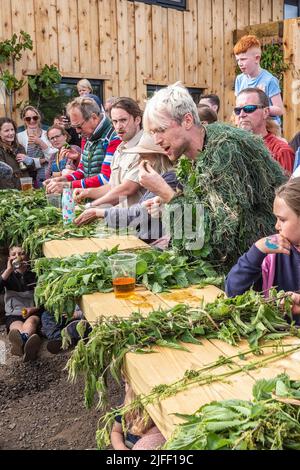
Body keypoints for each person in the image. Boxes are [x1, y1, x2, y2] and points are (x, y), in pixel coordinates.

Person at [141, 82, 286, 267]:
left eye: (161, 130)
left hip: (259, 264)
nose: (156, 140)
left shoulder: (226, 150)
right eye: (153, 132)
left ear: (187, 121)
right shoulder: (191, 156)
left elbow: (223, 238)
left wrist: (168, 195)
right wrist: (166, 205)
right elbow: (202, 211)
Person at [74, 133, 181, 244]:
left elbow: (138, 213)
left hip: (155, 244)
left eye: (143, 157)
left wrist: (98, 212)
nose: (140, 162)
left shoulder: (170, 179)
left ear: (159, 157)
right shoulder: (161, 177)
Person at [225, 177, 300, 326]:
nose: (276, 226)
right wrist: (256, 251)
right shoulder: (274, 254)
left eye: (282, 220)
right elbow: (233, 291)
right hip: (279, 340)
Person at [73, 97, 146, 225]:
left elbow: (127, 189)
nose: (119, 126)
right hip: (122, 223)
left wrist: (90, 206)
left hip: (143, 226)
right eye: (115, 121)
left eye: (123, 120)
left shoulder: (145, 147)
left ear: (137, 119)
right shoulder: (120, 148)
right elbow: (112, 186)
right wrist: (88, 192)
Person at [44, 97, 121, 192]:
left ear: (94, 118)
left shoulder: (113, 137)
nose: (77, 131)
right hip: (89, 197)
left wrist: (67, 185)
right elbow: (82, 171)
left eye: (79, 126)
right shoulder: (87, 137)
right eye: (74, 127)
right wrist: (61, 180)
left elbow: (105, 179)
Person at [235, 87, 295, 174]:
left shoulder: (281, 151)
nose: (242, 114)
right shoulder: (232, 148)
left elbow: (287, 187)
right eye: (237, 110)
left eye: (249, 108)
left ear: (265, 112)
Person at [0, 246, 42, 361]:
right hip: (14, 314)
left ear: (27, 256)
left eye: (21, 253)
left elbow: (46, 299)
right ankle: (27, 346)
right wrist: (8, 270)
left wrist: (33, 309)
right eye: (14, 254)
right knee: (15, 328)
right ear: (9, 258)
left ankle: (21, 345)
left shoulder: (36, 273)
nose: (17, 257)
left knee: (31, 322)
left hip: (32, 311)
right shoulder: (7, 275)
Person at [234, 35, 283, 125]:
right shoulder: (239, 79)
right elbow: (238, 106)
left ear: (257, 58)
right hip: (248, 126)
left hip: (269, 127)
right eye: (237, 60)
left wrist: (257, 109)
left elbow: (279, 109)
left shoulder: (269, 80)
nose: (240, 64)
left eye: (243, 59)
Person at [111, 379, 165, 450]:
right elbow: (116, 431)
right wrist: (121, 447)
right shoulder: (124, 408)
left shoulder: (157, 418)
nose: (131, 419)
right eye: (126, 383)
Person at [17, 105, 55, 187]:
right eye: (28, 118)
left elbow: (54, 156)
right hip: (27, 176)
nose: (32, 120)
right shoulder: (19, 137)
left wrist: (40, 142)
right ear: (24, 120)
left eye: (35, 118)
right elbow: (21, 160)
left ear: (39, 118)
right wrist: (43, 160)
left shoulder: (47, 134)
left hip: (46, 176)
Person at [0, 117, 34, 190]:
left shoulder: (19, 147)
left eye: (12, 129)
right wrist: (13, 193)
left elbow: (30, 170)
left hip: (27, 189)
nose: (11, 133)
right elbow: (3, 178)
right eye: (6, 131)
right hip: (12, 193)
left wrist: (29, 162)